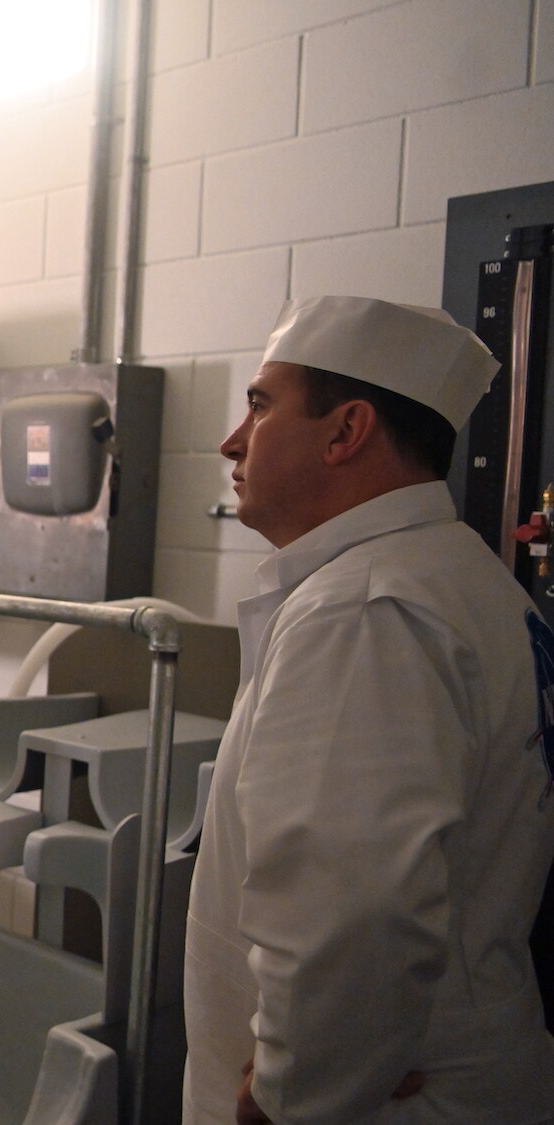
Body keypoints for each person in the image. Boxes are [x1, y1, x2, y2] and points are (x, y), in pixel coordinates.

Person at [185, 296, 554, 1124]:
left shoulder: (364, 608)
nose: (232, 441)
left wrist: (289, 1097)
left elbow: (354, 916)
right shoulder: (464, 578)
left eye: (260, 403)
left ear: (345, 431)